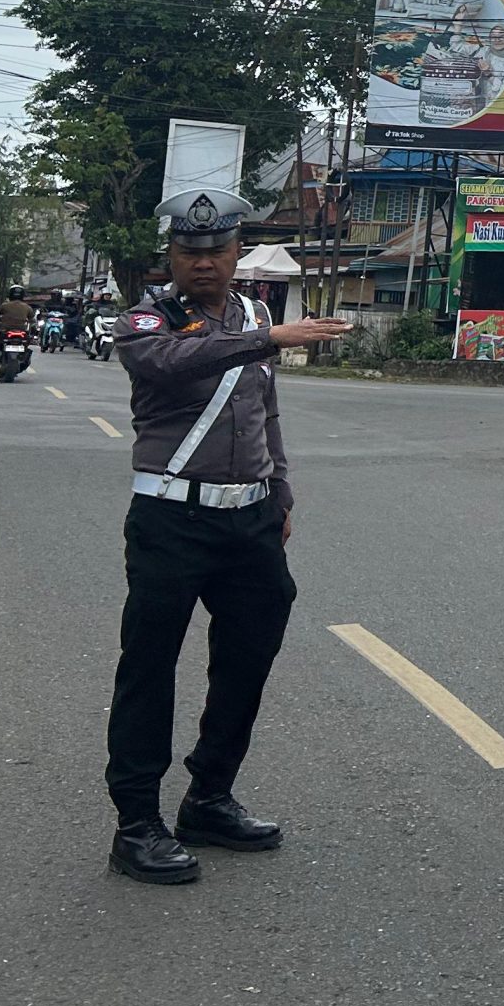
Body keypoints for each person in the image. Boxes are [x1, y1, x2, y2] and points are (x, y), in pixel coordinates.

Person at [104, 187, 353, 885]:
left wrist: (279, 493)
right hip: (170, 519)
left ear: (236, 252)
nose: (205, 263)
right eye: (190, 251)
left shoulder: (252, 313)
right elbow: (172, 365)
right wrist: (267, 339)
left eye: (216, 251)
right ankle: (136, 823)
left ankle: (209, 796)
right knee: (148, 667)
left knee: (249, 656)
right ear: (172, 256)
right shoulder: (146, 321)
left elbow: (262, 409)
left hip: (249, 520)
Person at [0, 284, 34, 369]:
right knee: (27, 341)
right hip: (22, 332)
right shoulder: (27, 307)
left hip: (5, 330)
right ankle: (23, 355)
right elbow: (32, 319)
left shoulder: (4, 306)